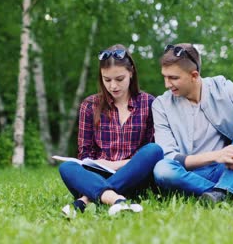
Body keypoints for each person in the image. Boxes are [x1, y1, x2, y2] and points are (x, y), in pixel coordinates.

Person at [152, 43, 233, 206]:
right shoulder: (161, 105)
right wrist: (217, 155)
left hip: (228, 169)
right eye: (164, 77)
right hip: (187, 175)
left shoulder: (220, 86)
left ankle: (225, 189)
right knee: (162, 169)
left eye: (173, 78)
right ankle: (231, 194)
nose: (167, 84)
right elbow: (169, 155)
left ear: (194, 75)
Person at [59, 44, 164, 217]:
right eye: (107, 80)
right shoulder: (90, 105)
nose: (113, 86)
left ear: (131, 73)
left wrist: (114, 165)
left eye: (119, 79)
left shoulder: (149, 103)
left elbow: (148, 154)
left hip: (135, 177)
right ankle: (117, 200)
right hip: (97, 175)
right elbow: (85, 154)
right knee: (67, 167)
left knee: (155, 150)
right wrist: (99, 164)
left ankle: (86, 200)